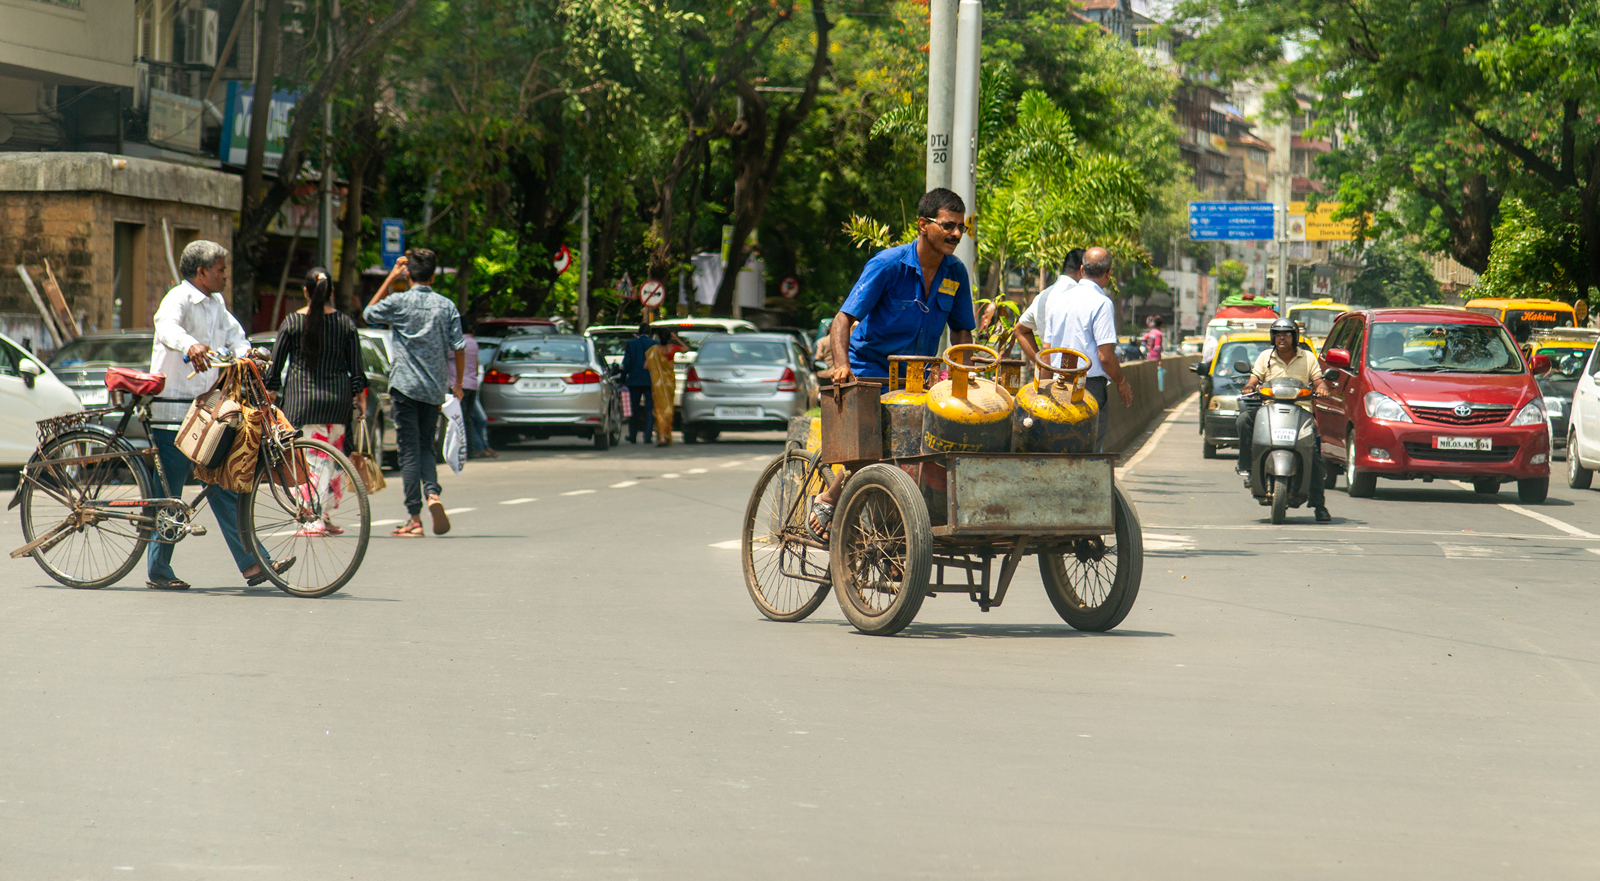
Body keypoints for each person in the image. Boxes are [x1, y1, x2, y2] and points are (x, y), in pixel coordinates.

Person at [807, 187, 977, 538]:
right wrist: (842, 366)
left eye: (961, 227)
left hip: (917, 377)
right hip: (869, 369)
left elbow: (962, 332)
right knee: (877, 443)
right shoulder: (888, 265)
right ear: (922, 225)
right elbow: (842, 320)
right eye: (948, 226)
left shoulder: (956, 273)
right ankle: (828, 497)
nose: (956, 235)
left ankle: (898, 531)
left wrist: (964, 374)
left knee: (929, 446)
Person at [146, 240, 291, 589]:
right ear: (202, 273)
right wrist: (190, 345)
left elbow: (236, 337)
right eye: (221, 270)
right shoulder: (178, 299)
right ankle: (158, 569)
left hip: (205, 411)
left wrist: (246, 354)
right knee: (171, 494)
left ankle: (253, 564)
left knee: (221, 484)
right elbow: (166, 327)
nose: (226, 276)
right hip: (173, 409)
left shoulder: (216, 304)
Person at [364, 250, 465, 537]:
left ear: (409, 274)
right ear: (433, 276)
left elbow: (368, 313)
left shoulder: (398, 301)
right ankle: (433, 493)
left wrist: (391, 278)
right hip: (434, 389)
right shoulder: (446, 306)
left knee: (408, 452)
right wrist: (457, 384)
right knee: (426, 447)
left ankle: (414, 518)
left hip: (405, 388)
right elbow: (460, 346)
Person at [264, 267, 369, 536]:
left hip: (303, 404)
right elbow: (357, 371)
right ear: (331, 292)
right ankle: (324, 515)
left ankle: (313, 517)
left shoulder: (292, 322)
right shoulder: (345, 323)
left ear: (306, 292)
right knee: (332, 462)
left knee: (308, 462)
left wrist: (271, 392)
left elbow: (274, 369)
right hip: (337, 403)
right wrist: (360, 401)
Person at [1015, 246, 1133, 453]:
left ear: (1082, 270)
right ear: (1108, 273)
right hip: (1088, 388)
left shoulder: (1059, 301)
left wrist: (1044, 388)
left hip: (1057, 385)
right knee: (1089, 449)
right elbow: (1105, 356)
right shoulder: (1102, 303)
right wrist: (1122, 381)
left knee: (1057, 446)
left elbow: (1047, 352)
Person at [1237, 316, 1333, 522]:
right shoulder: (1265, 357)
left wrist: (1323, 390)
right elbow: (1254, 378)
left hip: (1301, 410)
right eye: (1278, 334)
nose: (1282, 338)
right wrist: (1249, 386)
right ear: (1273, 337)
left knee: (1314, 456)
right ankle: (1247, 466)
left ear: (1294, 336)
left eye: (1286, 334)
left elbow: (1318, 381)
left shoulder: (1307, 357)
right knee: (1243, 419)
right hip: (1269, 408)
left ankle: (1319, 506)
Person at [1015, 248, 1085, 335]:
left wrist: (1044, 349)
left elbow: (1019, 330)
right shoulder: (1084, 296)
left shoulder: (1042, 296)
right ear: (1082, 270)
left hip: (1048, 347)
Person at [447, 329, 494, 459]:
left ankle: (463, 450)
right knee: (467, 419)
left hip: (457, 386)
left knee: (459, 420)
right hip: (472, 385)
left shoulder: (454, 343)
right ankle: (471, 449)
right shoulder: (473, 342)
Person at [645, 329, 688, 446]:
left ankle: (661, 437)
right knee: (668, 409)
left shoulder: (653, 351)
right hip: (669, 384)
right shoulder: (673, 348)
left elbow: (646, 366)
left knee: (659, 409)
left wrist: (656, 368)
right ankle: (666, 435)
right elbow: (686, 349)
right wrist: (677, 339)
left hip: (658, 385)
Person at [619, 322, 656, 444]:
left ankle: (633, 435)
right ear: (649, 332)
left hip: (634, 380)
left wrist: (623, 378)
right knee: (649, 409)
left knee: (634, 409)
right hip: (651, 380)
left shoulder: (631, 344)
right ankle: (648, 435)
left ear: (639, 332)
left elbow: (627, 363)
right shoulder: (655, 344)